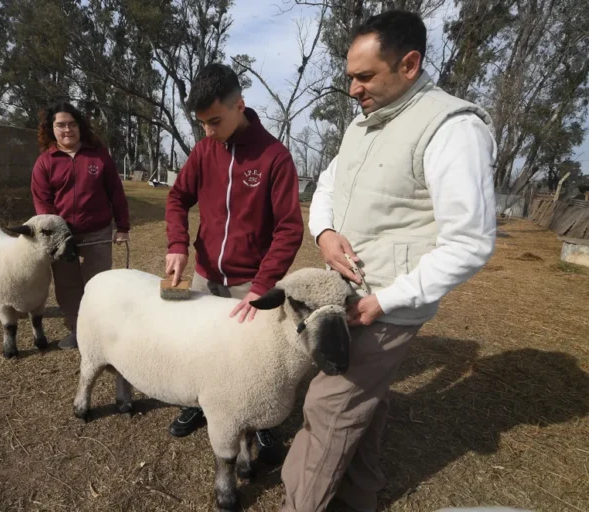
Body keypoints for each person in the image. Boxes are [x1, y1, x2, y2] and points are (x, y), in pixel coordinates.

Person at [280, 10, 497, 512]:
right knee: (364, 403)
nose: (352, 89)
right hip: (348, 292)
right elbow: (329, 183)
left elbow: (470, 242)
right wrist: (325, 231)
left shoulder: (452, 128)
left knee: (327, 406)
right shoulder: (365, 122)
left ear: (409, 64)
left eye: (364, 76)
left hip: (386, 304)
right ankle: (358, 497)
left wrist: (386, 300)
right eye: (350, 76)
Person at [164, 63, 304, 460]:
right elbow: (177, 198)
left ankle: (262, 423)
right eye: (201, 124)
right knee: (197, 347)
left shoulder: (275, 157)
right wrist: (178, 244)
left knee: (255, 362)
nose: (208, 132)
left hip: (251, 283)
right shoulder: (203, 150)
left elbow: (289, 229)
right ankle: (196, 402)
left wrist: (262, 286)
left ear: (239, 106)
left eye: (214, 121)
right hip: (205, 276)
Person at [31, 102, 130, 349]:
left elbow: (116, 193)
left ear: (80, 126)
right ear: (51, 128)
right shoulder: (45, 162)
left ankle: (101, 330)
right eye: (61, 125)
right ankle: (78, 330)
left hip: (98, 232)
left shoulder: (99, 156)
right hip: (62, 239)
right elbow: (43, 205)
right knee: (68, 285)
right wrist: (59, 237)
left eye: (72, 124)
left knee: (99, 283)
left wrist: (123, 227)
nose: (67, 129)